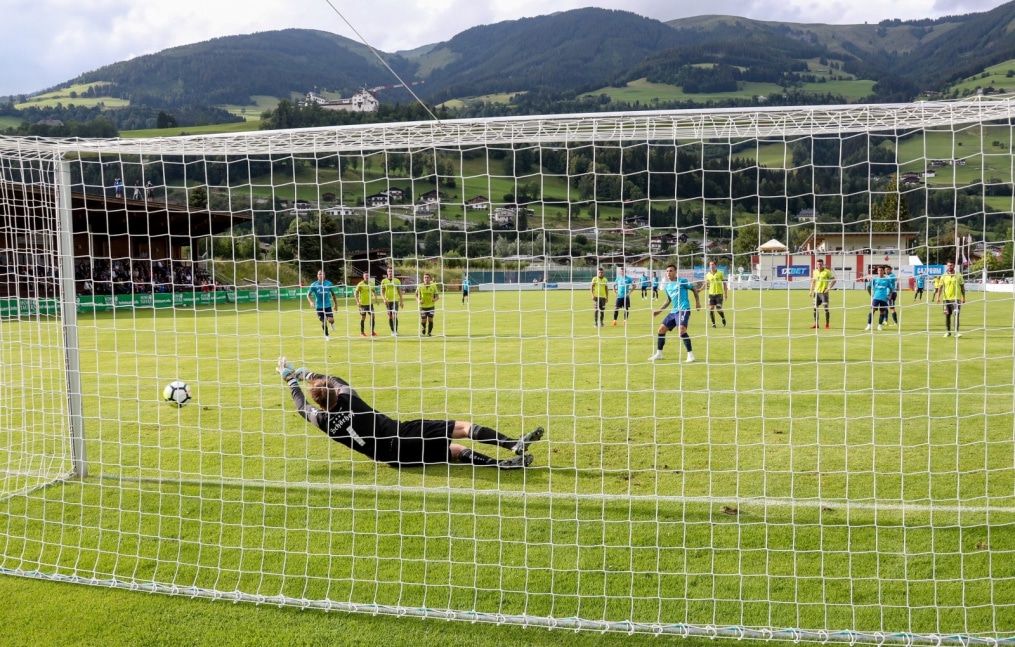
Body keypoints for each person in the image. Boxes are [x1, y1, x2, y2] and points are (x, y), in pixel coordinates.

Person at [276, 358, 543, 469]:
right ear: (334, 393)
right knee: (461, 428)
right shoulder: (349, 398)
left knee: (454, 451)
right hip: (401, 433)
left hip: (392, 459)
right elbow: (333, 379)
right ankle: (512, 444)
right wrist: (305, 373)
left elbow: (301, 407)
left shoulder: (323, 421)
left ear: (320, 403)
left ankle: (498, 465)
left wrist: (290, 380)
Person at [649, 264, 701, 362]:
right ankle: (659, 354)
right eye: (667, 271)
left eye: (671, 271)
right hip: (674, 311)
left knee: (681, 330)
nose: (669, 273)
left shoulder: (682, 281)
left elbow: (694, 289)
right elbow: (668, 300)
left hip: (684, 309)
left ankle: (690, 355)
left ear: (675, 272)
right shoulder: (667, 286)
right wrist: (659, 311)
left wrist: (697, 302)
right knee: (661, 330)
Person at [936, 260, 966, 338]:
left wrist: (963, 297)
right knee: (947, 315)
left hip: (956, 299)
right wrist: (938, 297)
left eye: (951, 265)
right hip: (946, 299)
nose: (949, 267)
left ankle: (957, 332)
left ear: (954, 266)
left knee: (956, 315)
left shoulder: (959, 275)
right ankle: (948, 332)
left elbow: (962, 287)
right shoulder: (943, 276)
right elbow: (940, 287)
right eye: (948, 266)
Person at [306, 269, 338, 341]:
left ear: (324, 275)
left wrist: (335, 304)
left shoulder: (328, 284)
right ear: (317, 276)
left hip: (327, 306)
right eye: (319, 274)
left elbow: (333, 294)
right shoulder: (314, 285)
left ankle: (332, 323)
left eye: (322, 274)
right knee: (324, 321)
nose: (321, 275)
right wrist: (311, 302)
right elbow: (308, 295)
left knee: (330, 320)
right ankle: (326, 335)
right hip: (319, 307)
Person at [808, 259, 837, 329]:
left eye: (820, 264)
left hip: (824, 293)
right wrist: (811, 291)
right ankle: (816, 324)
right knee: (815, 308)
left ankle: (827, 324)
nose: (819, 265)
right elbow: (813, 281)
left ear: (823, 264)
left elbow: (834, 280)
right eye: (818, 264)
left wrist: (828, 288)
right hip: (816, 292)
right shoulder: (815, 272)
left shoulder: (827, 272)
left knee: (826, 308)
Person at [865, 265, 892, 332]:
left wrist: (889, 295)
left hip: (883, 298)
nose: (880, 272)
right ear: (877, 271)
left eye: (881, 270)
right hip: (876, 297)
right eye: (879, 270)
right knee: (872, 310)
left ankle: (879, 326)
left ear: (883, 271)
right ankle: (869, 325)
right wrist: (871, 295)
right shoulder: (875, 279)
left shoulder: (887, 280)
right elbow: (868, 287)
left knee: (882, 312)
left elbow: (891, 288)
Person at [703, 260, 728, 328]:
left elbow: (724, 283)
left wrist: (725, 293)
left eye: (713, 264)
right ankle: (713, 324)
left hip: (719, 294)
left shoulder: (720, 273)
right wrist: (700, 290)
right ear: (709, 266)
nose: (711, 266)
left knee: (718, 309)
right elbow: (706, 284)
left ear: (715, 265)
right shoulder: (708, 275)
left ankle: (723, 318)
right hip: (711, 294)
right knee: (711, 308)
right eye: (710, 265)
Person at [380, 268, 404, 336]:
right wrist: (384, 299)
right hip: (388, 301)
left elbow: (400, 291)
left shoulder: (397, 281)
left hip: (395, 300)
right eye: (389, 271)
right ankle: (392, 330)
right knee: (390, 316)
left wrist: (401, 301)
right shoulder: (383, 281)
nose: (390, 272)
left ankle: (395, 331)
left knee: (394, 315)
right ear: (387, 272)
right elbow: (382, 292)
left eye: (391, 271)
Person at [354, 272, 379, 337]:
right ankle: (362, 332)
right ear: (363, 276)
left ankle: (372, 332)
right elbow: (356, 293)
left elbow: (373, 291)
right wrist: (357, 301)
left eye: (368, 276)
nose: (367, 277)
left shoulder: (371, 284)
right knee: (363, 317)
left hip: (370, 304)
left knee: (373, 316)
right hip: (362, 304)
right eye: (365, 276)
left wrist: (376, 298)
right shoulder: (360, 284)